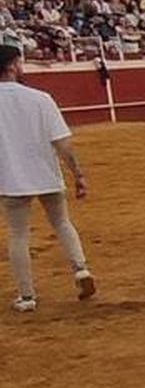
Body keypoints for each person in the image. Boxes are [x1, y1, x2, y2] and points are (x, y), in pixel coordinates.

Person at [0, 45, 95, 312]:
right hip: (46, 173)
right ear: (10, 66)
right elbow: (63, 143)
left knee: (18, 234)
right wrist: (77, 174)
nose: (22, 67)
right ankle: (81, 270)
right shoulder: (40, 98)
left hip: (10, 179)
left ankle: (27, 295)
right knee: (62, 222)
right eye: (19, 63)